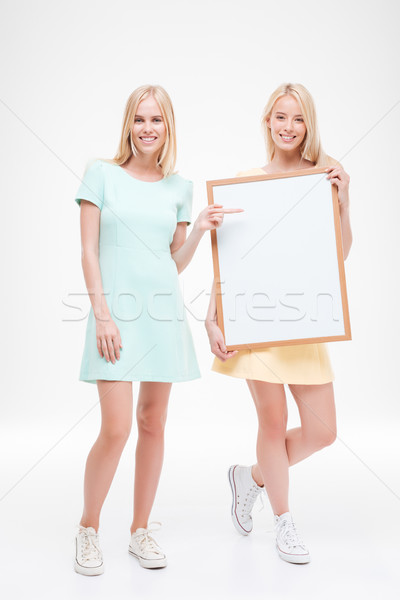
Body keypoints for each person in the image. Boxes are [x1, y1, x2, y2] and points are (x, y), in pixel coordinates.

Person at [73, 84, 241, 576]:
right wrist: (102, 314)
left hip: (162, 316)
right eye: (140, 119)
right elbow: (87, 251)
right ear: (129, 124)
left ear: (169, 128)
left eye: (157, 120)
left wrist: (204, 228)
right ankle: (87, 527)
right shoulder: (100, 174)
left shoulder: (179, 187)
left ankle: (140, 529)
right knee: (116, 427)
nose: (148, 129)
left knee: (152, 424)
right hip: (115, 317)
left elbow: (175, 261)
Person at [205, 82, 352, 564]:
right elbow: (229, 260)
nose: (288, 127)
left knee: (323, 431)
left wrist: (344, 199)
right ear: (267, 121)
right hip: (257, 323)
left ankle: (251, 477)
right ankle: (284, 523)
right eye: (280, 117)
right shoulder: (247, 180)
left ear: (308, 125)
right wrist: (212, 319)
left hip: (303, 319)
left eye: (298, 118)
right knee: (273, 422)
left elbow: (339, 255)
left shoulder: (322, 178)